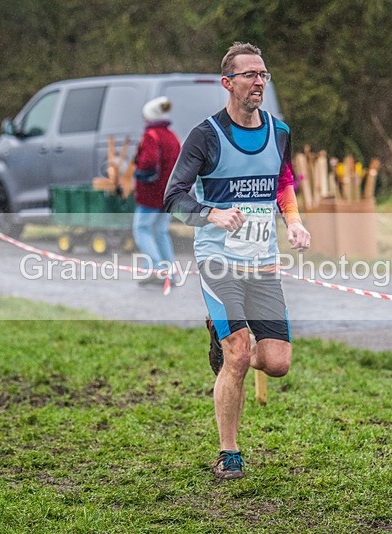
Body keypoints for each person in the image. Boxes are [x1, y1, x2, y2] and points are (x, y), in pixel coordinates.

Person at [164, 42, 310, 480]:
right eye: (249, 75)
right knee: (239, 355)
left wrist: (295, 223)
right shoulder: (205, 136)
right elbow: (173, 197)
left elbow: (283, 182)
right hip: (218, 261)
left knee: (279, 362)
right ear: (228, 83)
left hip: (262, 263)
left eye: (263, 74)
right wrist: (212, 213)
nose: (258, 82)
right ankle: (229, 453)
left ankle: (219, 334)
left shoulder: (279, 132)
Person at [132, 96, 181, 286]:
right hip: (168, 194)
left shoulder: (151, 136)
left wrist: (140, 174)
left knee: (142, 229)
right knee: (161, 232)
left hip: (150, 195)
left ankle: (156, 270)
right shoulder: (172, 136)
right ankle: (171, 274)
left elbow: (148, 162)